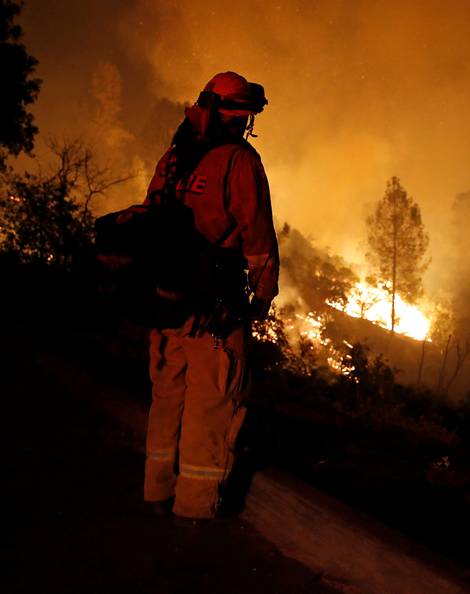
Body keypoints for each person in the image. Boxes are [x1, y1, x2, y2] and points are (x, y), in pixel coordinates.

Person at [141, 71, 279, 521]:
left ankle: (156, 494)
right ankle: (195, 512)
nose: (244, 122)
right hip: (212, 309)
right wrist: (261, 294)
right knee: (212, 404)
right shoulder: (240, 161)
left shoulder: (175, 155)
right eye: (241, 114)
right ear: (228, 112)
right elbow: (257, 237)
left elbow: (150, 215)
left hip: (166, 302)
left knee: (167, 400)